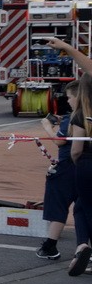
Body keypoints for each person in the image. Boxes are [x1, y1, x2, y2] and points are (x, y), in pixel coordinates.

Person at [45, 37, 92, 275]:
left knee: (83, 208)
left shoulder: (82, 114)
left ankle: (83, 245)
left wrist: (66, 48)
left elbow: (73, 148)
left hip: (85, 163)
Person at [35, 81, 87, 261]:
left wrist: (47, 127)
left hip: (68, 165)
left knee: (57, 203)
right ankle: (83, 246)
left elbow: (60, 141)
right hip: (86, 166)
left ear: (78, 97)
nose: (68, 101)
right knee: (84, 207)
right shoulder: (84, 116)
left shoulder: (74, 117)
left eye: (70, 97)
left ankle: (50, 244)